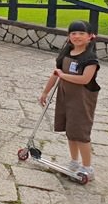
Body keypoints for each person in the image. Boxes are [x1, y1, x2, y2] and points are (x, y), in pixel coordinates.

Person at [39, 20, 101, 181]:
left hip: (82, 101)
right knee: (70, 132)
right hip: (65, 97)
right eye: (73, 33)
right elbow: (55, 73)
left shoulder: (90, 59)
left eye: (81, 33)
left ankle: (87, 167)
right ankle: (74, 162)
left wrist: (62, 75)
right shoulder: (66, 54)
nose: (77, 36)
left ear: (90, 37)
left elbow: (84, 79)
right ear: (69, 36)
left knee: (81, 133)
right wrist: (45, 91)